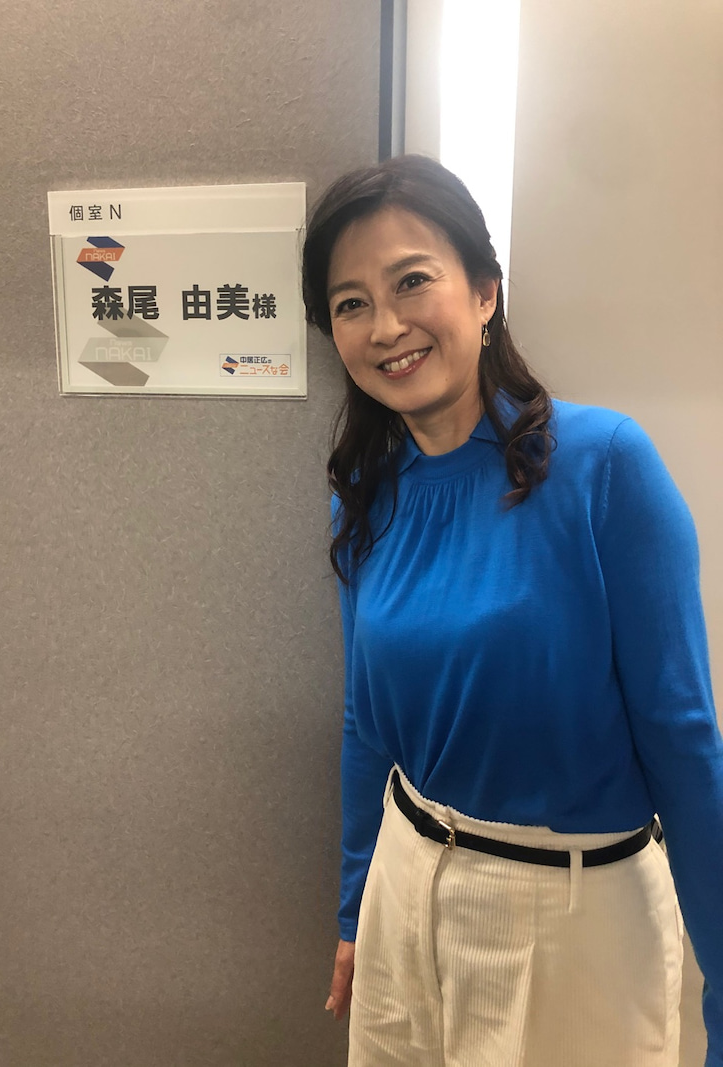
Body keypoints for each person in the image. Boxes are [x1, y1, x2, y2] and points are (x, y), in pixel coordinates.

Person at [301, 154, 723, 1067]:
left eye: (412, 281)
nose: (387, 325)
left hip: (568, 919)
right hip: (405, 883)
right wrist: (354, 908)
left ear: (485, 291)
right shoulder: (363, 493)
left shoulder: (605, 466)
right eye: (351, 302)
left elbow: (684, 743)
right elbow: (366, 720)